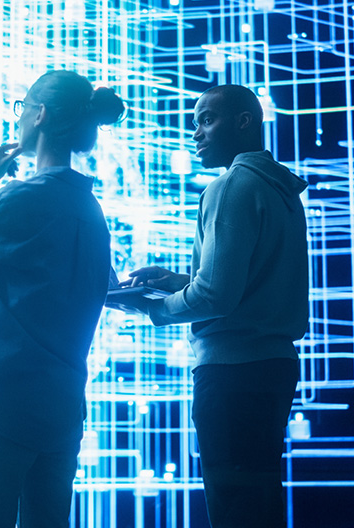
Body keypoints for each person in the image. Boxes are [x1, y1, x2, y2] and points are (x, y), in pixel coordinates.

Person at [0, 70, 124, 528]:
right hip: (60, 404)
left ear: (38, 115)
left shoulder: (24, 197)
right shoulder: (90, 209)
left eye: (22, 107)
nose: (19, 117)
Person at [122, 85, 308, 528]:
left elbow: (215, 298)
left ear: (244, 121)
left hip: (232, 375)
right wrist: (179, 281)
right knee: (259, 505)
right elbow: (248, 288)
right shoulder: (281, 190)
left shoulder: (230, 187)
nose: (196, 134)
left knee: (234, 511)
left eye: (207, 120)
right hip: (273, 367)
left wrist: (152, 307)